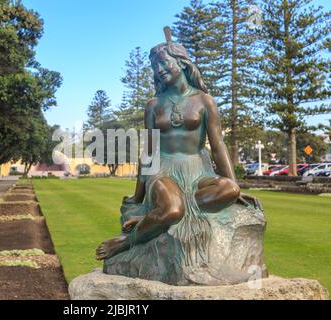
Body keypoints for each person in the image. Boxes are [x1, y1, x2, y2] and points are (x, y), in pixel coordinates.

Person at [96, 29, 263, 284]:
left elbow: (218, 146)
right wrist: (139, 197)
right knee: (173, 209)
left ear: (182, 63)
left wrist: (236, 187)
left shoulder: (205, 101)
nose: (159, 69)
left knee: (228, 189)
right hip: (164, 171)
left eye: (164, 62)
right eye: (155, 66)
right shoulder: (154, 105)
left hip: (199, 171)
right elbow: (149, 150)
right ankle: (127, 241)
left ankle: (154, 217)